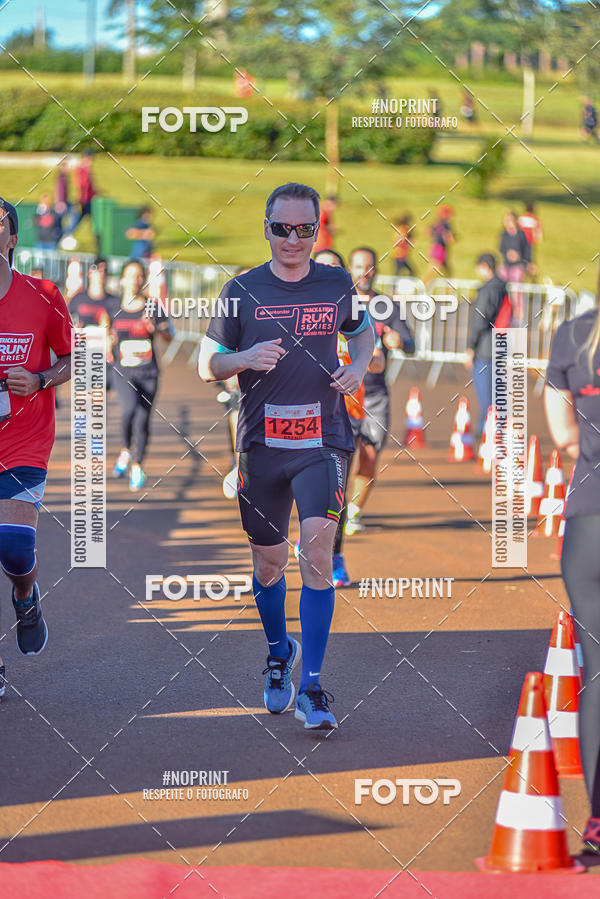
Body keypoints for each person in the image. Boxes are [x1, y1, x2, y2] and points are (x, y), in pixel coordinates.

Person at [199, 182, 374, 730]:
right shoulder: (240, 291)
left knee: (317, 552)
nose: (293, 239)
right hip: (261, 445)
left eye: (305, 229)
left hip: (324, 439)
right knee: (269, 562)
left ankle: (314, 687)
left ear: (317, 229)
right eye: (282, 228)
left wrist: (359, 366)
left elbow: (364, 334)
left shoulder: (336, 283)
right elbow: (208, 363)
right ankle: (280, 653)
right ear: (267, 228)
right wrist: (245, 355)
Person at [0, 197, 73, 697]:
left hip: (23, 440)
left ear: (12, 239)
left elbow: (76, 359)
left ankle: (26, 598)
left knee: (14, 546)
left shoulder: (44, 295)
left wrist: (42, 377)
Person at [544, 280, 600, 854]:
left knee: (597, 675)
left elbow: (561, 435)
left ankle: (599, 821)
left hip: (589, 523)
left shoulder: (573, 337)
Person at [345, 247, 415, 536]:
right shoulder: (340, 303)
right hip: (343, 393)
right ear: (350, 268)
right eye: (359, 265)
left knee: (370, 453)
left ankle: (354, 511)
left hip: (374, 395)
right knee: (339, 457)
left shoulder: (385, 305)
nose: (365, 271)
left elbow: (410, 343)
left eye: (370, 266)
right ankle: (330, 510)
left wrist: (400, 341)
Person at [110, 260, 173, 491]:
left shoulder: (153, 307)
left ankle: (137, 465)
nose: (135, 280)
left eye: (139, 276)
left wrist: (154, 329)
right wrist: (109, 342)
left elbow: (169, 337)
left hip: (148, 372)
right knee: (128, 411)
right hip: (123, 371)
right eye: (131, 275)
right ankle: (126, 449)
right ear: (123, 279)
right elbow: (104, 328)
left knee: (143, 419)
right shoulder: (114, 305)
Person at [464, 252, 508, 439]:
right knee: (497, 395)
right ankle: (496, 433)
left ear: (483, 266)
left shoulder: (487, 290)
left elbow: (479, 321)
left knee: (487, 398)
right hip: (500, 346)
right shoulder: (503, 288)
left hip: (485, 349)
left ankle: (487, 436)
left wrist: (470, 346)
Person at [69, 257, 120, 390]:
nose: (101, 274)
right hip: (82, 355)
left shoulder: (115, 301)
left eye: (105, 270)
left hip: (104, 356)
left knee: (100, 401)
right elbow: (66, 322)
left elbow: (119, 326)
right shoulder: (78, 299)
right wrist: (73, 330)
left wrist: (115, 335)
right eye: (97, 269)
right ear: (89, 273)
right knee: (84, 399)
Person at [62, 152, 97, 248]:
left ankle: (96, 239)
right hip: (82, 200)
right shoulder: (81, 169)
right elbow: (80, 184)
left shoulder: (85, 169)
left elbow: (90, 186)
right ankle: (66, 236)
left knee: (82, 218)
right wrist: (80, 198)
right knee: (76, 218)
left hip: (87, 200)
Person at [425, 205, 454, 280]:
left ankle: (448, 289)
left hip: (434, 247)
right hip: (440, 249)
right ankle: (422, 286)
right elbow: (449, 238)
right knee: (434, 271)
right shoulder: (446, 224)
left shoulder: (436, 222)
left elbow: (428, 231)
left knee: (447, 272)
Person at [517, 202, 543, 274]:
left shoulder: (521, 218)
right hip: (529, 242)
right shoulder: (535, 219)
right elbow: (538, 231)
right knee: (530, 260)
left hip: (520, 241)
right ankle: (530, 274)